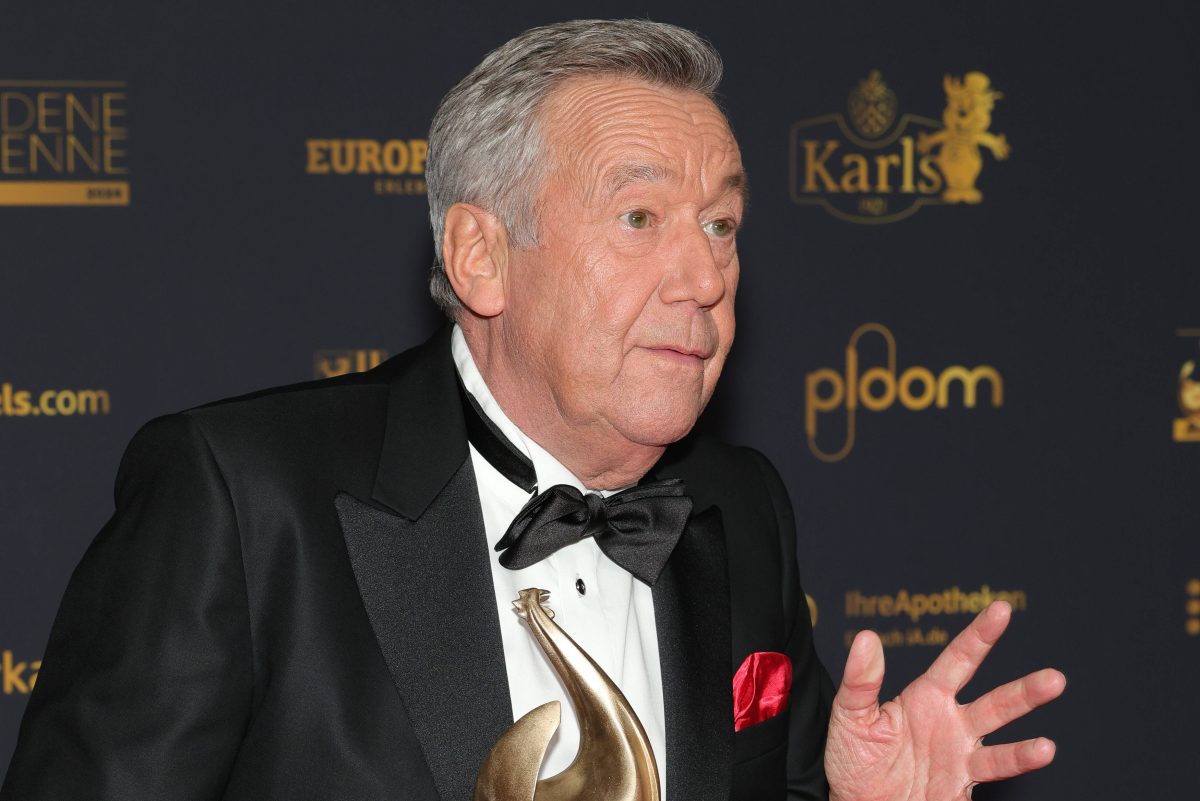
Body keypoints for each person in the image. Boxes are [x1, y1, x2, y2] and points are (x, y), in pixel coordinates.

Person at [0, 19, 1064, 801]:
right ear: (480, 255)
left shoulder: (740, 508)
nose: (705, 277)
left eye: (722, 224)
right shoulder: (245, 497)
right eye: (640, 216)